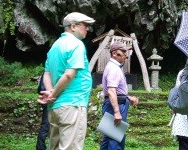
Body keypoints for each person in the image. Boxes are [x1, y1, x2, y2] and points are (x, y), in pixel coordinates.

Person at [38, 12, 95, 150]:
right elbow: (69, 74)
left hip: (55, 108)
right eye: (85, 25)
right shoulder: (76, 44)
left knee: (55, 146)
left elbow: (47, 73)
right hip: (73, 104)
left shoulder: (55, 46)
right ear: (73, 26)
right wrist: (53, 94)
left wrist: (51, 91)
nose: (87, 29)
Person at [100, 42, 139, 150]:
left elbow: (115, 90)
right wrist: (117, 112)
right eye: (123, 52)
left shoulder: (113, 66)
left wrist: (127, 97)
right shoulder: (114, 68)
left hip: (115, 102)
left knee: (108, 138)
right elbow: (111, 91)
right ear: (114, 53)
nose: (126, 56)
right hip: (116, 105)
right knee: (116, 139)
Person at [37, 73, 49, 150]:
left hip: (47, 100)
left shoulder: (46, 71)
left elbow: (39, 90)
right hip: (49, 101)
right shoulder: (49, 72)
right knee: (45, 126)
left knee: (45, 126)